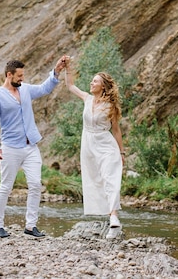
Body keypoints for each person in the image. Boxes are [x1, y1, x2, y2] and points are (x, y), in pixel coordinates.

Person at [0, 58, 65, 238]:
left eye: (23, 75)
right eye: (19, 75)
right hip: (10, 148)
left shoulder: (26, 89)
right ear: (9, 75)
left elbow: (45, 88)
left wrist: (56, 71)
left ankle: (30, 226)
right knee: (5, 187)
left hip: (31, 147)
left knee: (36, 184)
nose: (22, 78)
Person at [63, 56, 125, 238]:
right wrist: (68, 67)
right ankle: (109, 215)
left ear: (103, 86)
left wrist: (121, 152)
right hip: (88, 145)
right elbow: (70, 86)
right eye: (92, 81)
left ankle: (114, 218)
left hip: (106, 145)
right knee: (95, 179)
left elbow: (116, 131)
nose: (91, 83)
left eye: (95, 81)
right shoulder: (87, 99)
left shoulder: (111, 106)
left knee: (109, 178)